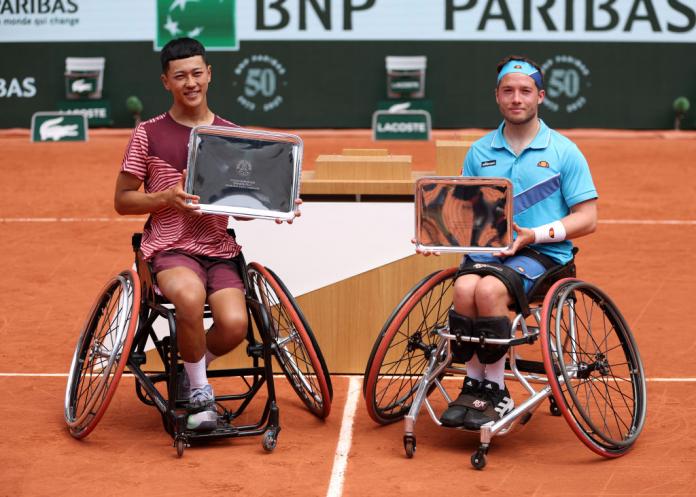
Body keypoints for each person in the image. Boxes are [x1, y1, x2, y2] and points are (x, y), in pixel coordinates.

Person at [114, 38, 299, 431]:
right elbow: (122, 200)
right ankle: (200, 393)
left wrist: (274, 209)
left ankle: (191, 366)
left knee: (234, 325)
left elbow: (243, 208)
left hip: (218, 250)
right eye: (180, 76)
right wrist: (165, 197)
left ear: (209, 74)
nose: (190, 82)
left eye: (197, 73)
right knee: (190, 296)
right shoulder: (147, 134)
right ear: (166, 81)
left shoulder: (232, 136)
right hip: (169, 247)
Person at [433, 55, 598, 430]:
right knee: (463, 287)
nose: (516, 98)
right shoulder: (479, 152)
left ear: (540, 96)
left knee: (489, 292)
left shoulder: (564, 151)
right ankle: (474, 383)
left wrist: (533, 235)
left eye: (525, 91)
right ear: (497, 97)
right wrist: (439, 239)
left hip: (543, 253)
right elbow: (463, 213)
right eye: (508, 91)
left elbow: (588, 219)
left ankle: (497, 391)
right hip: (490, 251)